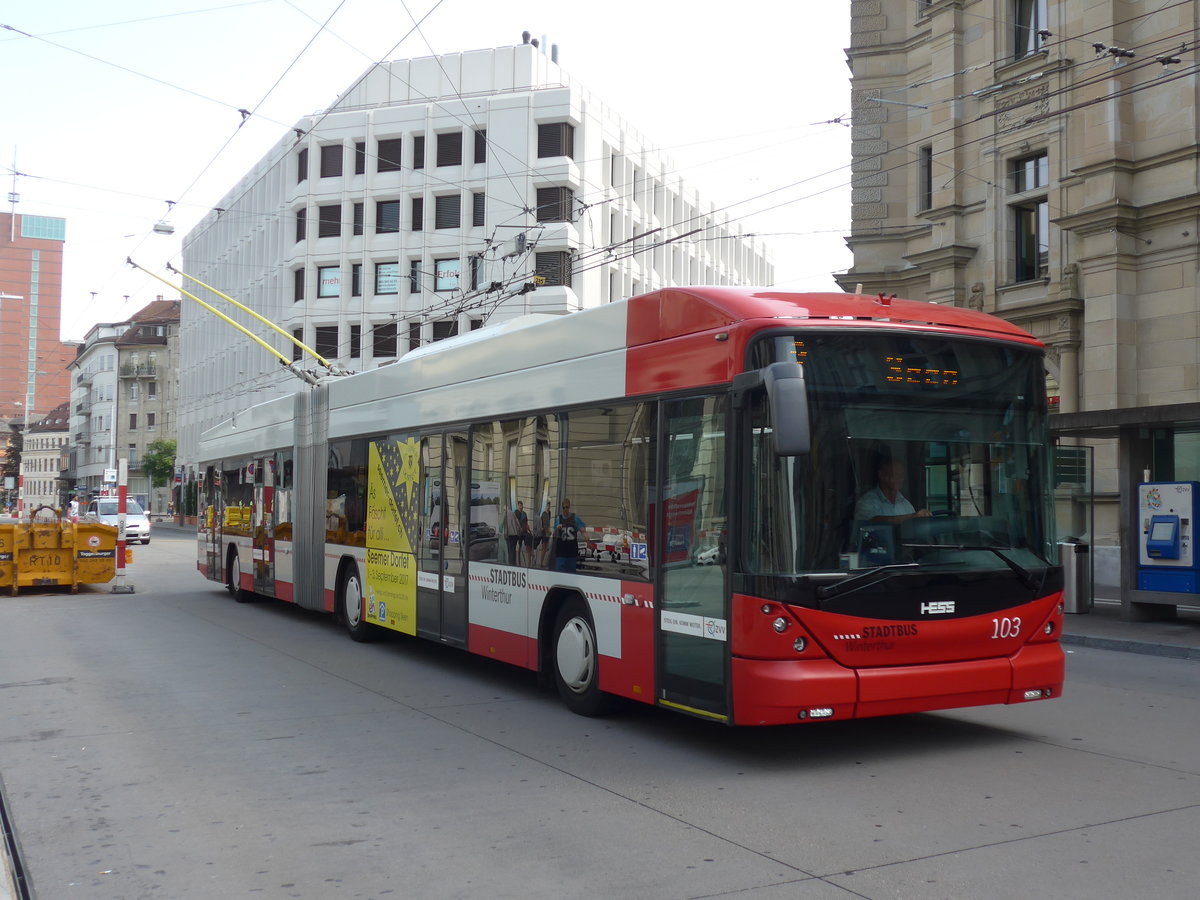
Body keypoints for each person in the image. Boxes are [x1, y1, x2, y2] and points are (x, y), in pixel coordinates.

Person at [854, 457, 931, 524]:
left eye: (902, 475)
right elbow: (871, 522)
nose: (900, 478)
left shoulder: (905, 504)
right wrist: (912, 517)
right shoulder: (867, 501)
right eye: (896, 474)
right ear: (881, 475)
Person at [553, 499, 586, 572]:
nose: (565, 509)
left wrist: (587, 539)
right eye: (564, 507)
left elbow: (582, 530)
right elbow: (554, 534)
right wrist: (557, 529)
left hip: (571, 551)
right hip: (561, 552)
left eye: (567, 507)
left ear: (569, 507)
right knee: (560, 571)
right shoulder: (558, 519)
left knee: (571, 573)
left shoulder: (575, 518)